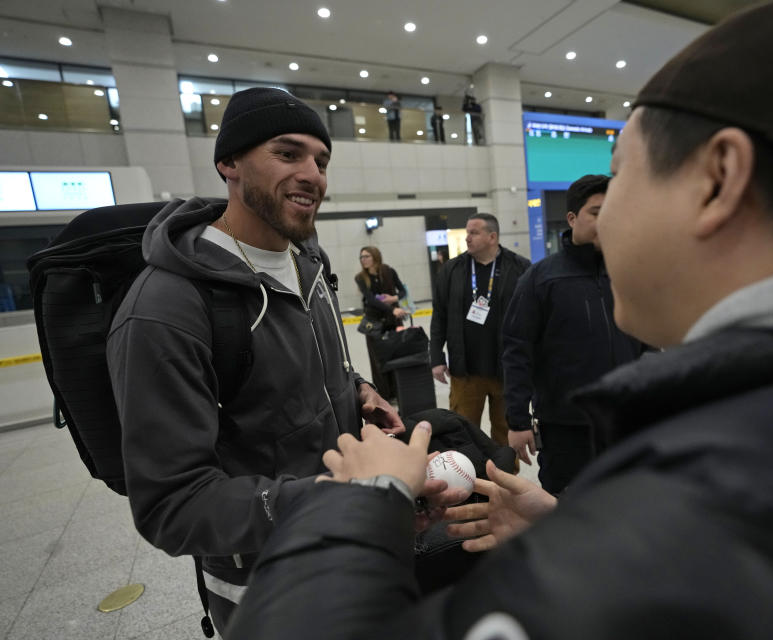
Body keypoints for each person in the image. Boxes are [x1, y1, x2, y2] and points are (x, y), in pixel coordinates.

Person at [227, 3, 773, 638]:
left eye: (623, 169)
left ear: (716, 180)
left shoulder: (723, 483)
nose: (606, 221)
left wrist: (363, 504)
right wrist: (588, 544)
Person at [106, 87, 403, 634]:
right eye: (288, 154)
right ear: (230, 164)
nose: (313, 173)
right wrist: (330, 498)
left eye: (320, 160)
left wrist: (359, 390)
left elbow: (305, 367)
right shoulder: (166, 308)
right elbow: (172, 505)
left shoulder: (307, 260)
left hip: (347, 546)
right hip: (265, 585)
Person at [501, 174, 646, 493]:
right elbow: (517, 351)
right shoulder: (541, 279)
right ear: (572, 218)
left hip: (624, 420)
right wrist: (517, 421)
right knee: (566, 509)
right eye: (596, 213)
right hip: (565, 427)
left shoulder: (627, 272)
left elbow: (647, 344)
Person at [430, 213, 530, 446]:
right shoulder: (451, 270)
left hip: (507, 370)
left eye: (473, 233)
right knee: (462, 430)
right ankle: (469, 477)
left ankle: (506, 479)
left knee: (505, 431)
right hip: (465, 370)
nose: (467, 238)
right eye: (467, 233)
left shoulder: (520, 268)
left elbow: (532, 317)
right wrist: (436, 357)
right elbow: (440, 317)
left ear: (492, 236)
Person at [355, 245, 408, 400]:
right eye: (361, 257)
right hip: (374, 322)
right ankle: (385, 394)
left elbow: (403, 291)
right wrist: (392, 309)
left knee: (396, 355)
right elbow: (371, 299)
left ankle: (399, 392)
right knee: (378, 360)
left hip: (393, 321)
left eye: (366, 256)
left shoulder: (389, 271)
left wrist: (394, 299)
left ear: (375, 257)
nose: (363, 260)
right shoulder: (360, 278)